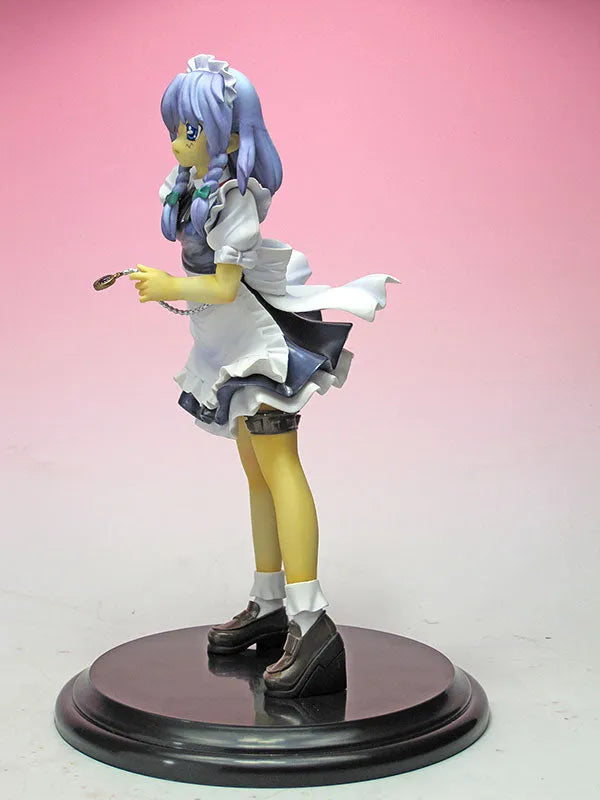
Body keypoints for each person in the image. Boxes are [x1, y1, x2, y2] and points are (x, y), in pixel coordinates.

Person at [129, 54, 398, 698]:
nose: (178, 142)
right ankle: (270, 601)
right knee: (256, 473)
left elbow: (224, 286)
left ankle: (312, 621)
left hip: (256, 347)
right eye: (175, 129)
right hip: (224, 344)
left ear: (227, 136)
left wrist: (167, 285)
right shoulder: (194, 189)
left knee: (280, 469)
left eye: (190, 130)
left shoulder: (235, 201)